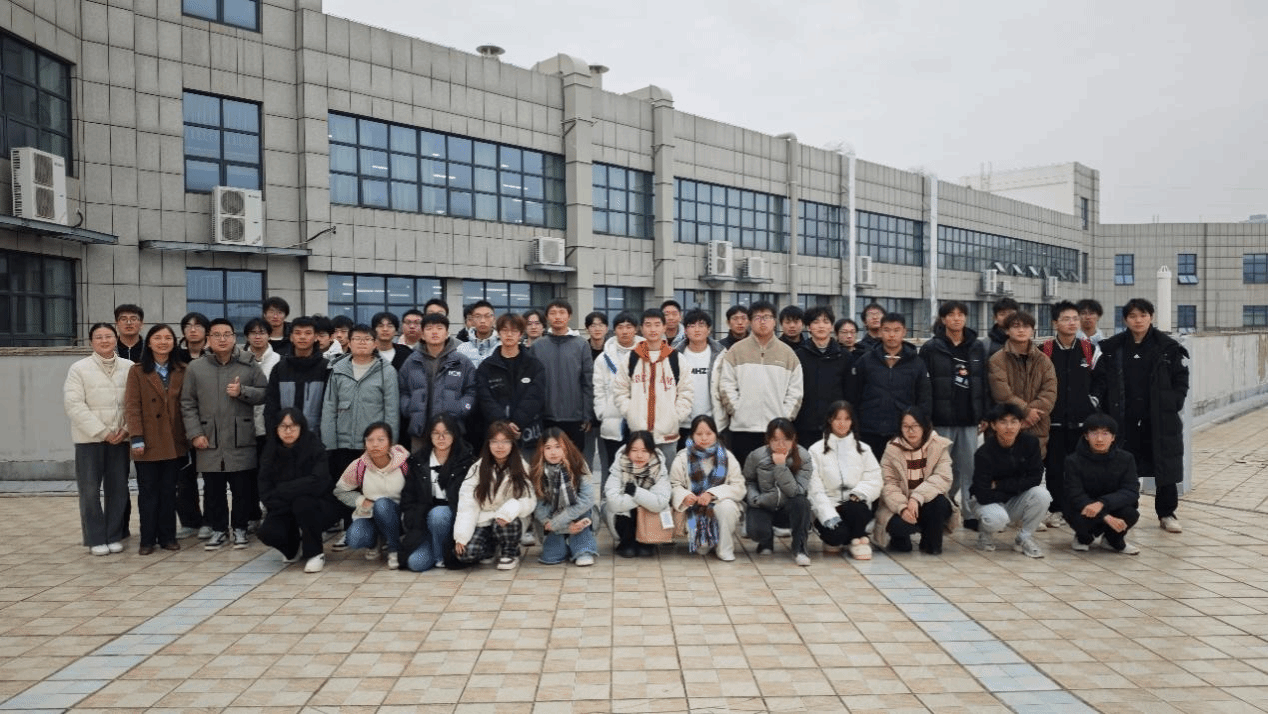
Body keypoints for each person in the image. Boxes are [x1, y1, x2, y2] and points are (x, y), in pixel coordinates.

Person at [1093, 297, 1189, 534]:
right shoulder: (1112, 348)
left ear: (1151, 317)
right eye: (1133, 316)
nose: (1138, 320)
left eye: (1143, 315)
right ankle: (1127, 510)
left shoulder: (1167, 347)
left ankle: (1166, 513)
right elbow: (1100, 382)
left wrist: (1172, 403)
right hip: (1122, 419)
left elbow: (1180, 380)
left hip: (1158, 419)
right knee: (1124, 468)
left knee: (1164, 467)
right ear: (1125, 319)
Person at [180, 318, 268, 551]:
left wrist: (243, 391)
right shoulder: (196, 368)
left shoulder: (249, 363)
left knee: (242, 489)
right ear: (208, 339)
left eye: (227, 334)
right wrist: (195, 433)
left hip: (241, 437)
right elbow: (187, 403)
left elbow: (265, 393)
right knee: (213, 490)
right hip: (209, 437)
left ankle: (240, 529)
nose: (222, 339)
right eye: (216, 335)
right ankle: (218, 530)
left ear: (234, 338)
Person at [64, 323, 133, 556]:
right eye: (99, 337)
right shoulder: (79, 368)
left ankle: (113, 535)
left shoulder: (129, 367)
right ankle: (95, 538)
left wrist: (125, 430)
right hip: (89, 440)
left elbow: (135, 404)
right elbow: (74, 405)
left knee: (118, 489)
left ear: (116, 339)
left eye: (108, 336)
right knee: (90, 491)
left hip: (120, 439)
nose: (104, 340)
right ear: (91, 341)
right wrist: (103, 432)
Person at [919, 300, 990, 526]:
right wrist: (926, 418)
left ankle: (969, 514)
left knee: (968, 469)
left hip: (969, 419)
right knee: (940, 468)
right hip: (941, 419)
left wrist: (984, 414)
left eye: (961, 314)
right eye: (951, 314)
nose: (956, 318)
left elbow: (984, 383)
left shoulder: (977, 347)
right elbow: (923, 385)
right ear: (943, 319)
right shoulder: (931, 348)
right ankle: (940, 511)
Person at [323, 323, 400, 517]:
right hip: (343, 442)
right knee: (346, 489)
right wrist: (329, 443)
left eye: (367, 339)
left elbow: (392, 410)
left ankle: (373, 527)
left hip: (374, 445)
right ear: (349, 343)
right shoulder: (338, 370)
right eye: (357, 339)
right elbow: (329, 407)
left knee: (373, 490)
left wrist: (390, 444)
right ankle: (348, 528)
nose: (362, 343)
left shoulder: (386, 371)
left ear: (375, 344)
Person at [125, 324, 188, 554]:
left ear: (174, 342)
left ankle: (168, 537)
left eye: (168, 338)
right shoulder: (137, 371)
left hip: (174, 440)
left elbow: (188, 404)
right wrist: (136, 437)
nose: (163, 342)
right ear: (149, 343)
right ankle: (147, 540)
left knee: (169, 492)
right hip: (147, 441)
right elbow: (132, 406)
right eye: (157, 338)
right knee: (148, 492)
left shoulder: (182, 370)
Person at [716, 300, 804, 465]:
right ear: (750, 321)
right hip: (743, 428)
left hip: (776, 431)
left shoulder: (787, 353)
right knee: (744, 474)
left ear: (774, 321)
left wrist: (783, 417)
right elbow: (726, 385)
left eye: (767, 317)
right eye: (757, 317)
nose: (762, 322)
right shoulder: (736, 351)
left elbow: (796, 391)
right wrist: (737, 410)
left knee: (774, 473)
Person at [256, 409, 343, 573]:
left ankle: (315, 554)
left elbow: (319, 482)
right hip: (285, 507)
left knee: (303, 504)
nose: (288, 431)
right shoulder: (270, 450)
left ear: (301, 427)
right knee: (267, 532)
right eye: (283, 426)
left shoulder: (314, 446)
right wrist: (292, 494)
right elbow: (265, 490)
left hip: (319, 505)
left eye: (293, 426)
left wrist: (284, 489)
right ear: (276, 428)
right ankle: (293, 548)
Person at [1039, 300, 1101, 530]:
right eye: (1066, 319)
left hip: (1082, 423)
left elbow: (1101, 381)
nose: (1072, 323)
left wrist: (1093, 401)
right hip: (1052, 422)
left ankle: (1077, 508)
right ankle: (1056, 509)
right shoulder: (1044, 351)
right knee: (1054, 468)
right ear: (1055, 323)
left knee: (1080, 468)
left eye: (1075, 318)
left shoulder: (1089, 350)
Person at [613, 308, 694, 466]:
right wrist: (631, 413)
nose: (653, 329)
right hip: (638, 434)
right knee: (640, 475)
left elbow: (686, 392)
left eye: (657, 324)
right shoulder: (631, 358)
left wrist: (675, 417)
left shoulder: (676, 359)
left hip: (668, 435)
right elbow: (620, 390)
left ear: (664, 327)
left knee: (667, 475)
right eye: (648, 325)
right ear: (641, 329)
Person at [454, 421, 537, 570]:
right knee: (466, 554)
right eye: (495, 442)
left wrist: (509, 510)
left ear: (512, 444)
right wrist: (461, 536)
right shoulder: (477, 468)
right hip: (485, 519)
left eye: (505, 442)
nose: (500, 446)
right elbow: (467, 503)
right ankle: (490, 548)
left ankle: (510, 552)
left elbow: (529, 500)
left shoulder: (521, 466)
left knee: (506, 522)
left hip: (510, 521)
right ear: (488, 444)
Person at [971, 403, 1051, 558]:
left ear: (1021, 424)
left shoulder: (1030, 444)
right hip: (987, 501)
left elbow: (1035, 478)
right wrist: (1017, 486)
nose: (1009, 427)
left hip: (1011, 497)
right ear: (993, 425)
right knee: (997, 519)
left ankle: (1024, 538)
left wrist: (1000, 485)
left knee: (1042, 495)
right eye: (1003, 422)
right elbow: (982, 493)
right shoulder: (984, 453)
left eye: (1014, 422)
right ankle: (985, 533)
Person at [807, 401, 882, 561]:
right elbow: (814, 488)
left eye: (847, 419)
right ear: (830, 420)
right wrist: (828, 515)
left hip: (854, 505)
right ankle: (846, 536)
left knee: (856, 509)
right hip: (830, 507)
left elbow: (874, 478)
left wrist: (859, 494)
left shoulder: (864, 449)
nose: (842, 423)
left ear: (852, 421)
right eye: (838, 419)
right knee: (836, 536)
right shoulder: (815, 450)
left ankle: (857, 540)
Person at [852, 312, 932, 460]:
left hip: (903, 431)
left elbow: (924, 399)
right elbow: (854, 395)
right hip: (869, 431)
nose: (892, 335)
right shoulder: (866, 360)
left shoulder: (916, 363)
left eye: (896, 330)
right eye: (887, 330)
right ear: (880, 331)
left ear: (904, 332)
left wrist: (920, 427)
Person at [875, 408, 956, 554]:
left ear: (924, 426)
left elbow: (943, 477)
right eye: (905, 426)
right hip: (899, 505)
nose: (910, 431)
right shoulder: (892, 449)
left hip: (926, 501)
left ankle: (930, 540)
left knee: (940, 503)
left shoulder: (938, 445)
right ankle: (899, 539)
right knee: (901, 535)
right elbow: (889, 484)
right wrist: (903, 508)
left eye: (915, 426)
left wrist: (917, 497)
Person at [400, 414, 475, 571]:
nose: (441, 438)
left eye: (446, 432)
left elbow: (471, 500)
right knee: (415, 563)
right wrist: (413, 521)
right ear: (429, 435)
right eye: (436, 433)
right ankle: (436, 552)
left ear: (454, 434)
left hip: (455, 523)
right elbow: (408, 497)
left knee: (439, 514)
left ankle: (441, 557)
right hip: (425, 524)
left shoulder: (467, 461)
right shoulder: (418, 460)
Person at [334, 422, 411, 570]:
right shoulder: (359, 465)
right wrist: (361, 500)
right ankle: (376, 542)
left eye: (381, 440)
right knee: (354, 538)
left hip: (399, 516)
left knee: (382, 504)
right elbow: (340, 491)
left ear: (390, 443)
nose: (375, 444)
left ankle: (394, 549)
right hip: (370, 516)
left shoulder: (405, 464)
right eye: (370, 440)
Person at [1063, 413, 1142, 554]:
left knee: (1130, 513)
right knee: (1074, 512)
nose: (1099, 439)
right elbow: (1075, 494)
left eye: (1105, 434)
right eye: (1094, 433)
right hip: (1086, 509)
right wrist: (1105, 517)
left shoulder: (1126, 459)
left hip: (1111, 506)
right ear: (1086, 436)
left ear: (1113, 437)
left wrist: (1102, 504)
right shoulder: (1073, 461)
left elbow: (1131, 491)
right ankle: (1083, 538)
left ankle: (1112, 540)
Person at [399, 312, 478, 450]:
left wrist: (462, 408)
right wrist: (409, 408)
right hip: (420, 430)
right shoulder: (411, 361)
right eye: (429, 328)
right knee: (420, 463)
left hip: (451, 429)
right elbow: (402, 390)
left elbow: (472, 390)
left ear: (447, 333)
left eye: (439, 328)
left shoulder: (461, 362)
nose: (434, 332)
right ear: (422, 335)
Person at [670, 415, 744, 561]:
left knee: (726, 507)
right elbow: (674, 484)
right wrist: (685, 495)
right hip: (694, 507)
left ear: (716, 434)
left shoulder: (727, 456)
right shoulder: (683, 457)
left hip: (720, 502)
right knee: (702, 549)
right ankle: (705, 539)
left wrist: (712, 494)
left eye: (709, 433)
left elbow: (739, 486)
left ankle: (724, 548)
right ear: (692, 435)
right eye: (699, 434)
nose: (704, 438)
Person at [743, 418, 814, 565]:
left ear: (793, 439)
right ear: (768, 440)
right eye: (775, 440)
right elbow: (749, 481)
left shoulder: (803, 456)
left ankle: (800, 548)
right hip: (764, 504)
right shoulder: (756, 455)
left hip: (788, 507)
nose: (781, 445)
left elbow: (797, 491)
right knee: (757, 531)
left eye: (786, 439)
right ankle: (765, 541)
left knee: (802, 502)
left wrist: (781, 466)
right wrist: (755, 499)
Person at [988, 311, 1057, 457]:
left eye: (1026, 326)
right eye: (1016, 326)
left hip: (1037, 426)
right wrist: (1025, 412)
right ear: (1007, 330)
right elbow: (1002, 394)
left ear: (1032, 330)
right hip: (1007, 425)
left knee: (1033, 467)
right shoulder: (997, 360)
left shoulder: (1044, 360)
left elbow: (1049, 392)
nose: (1021, 330)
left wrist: (1032, 415)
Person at [476, 313, 547, 454]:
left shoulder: (534, 365)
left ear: (521, 334)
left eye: (514, 331)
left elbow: (535, 397)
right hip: (496, 434)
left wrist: (517, 422)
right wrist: (504, 424)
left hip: (528, 435)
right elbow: (485, 398)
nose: (509, 335)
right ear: (498, 333)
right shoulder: (486, 366)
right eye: (505, 330)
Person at [531, 299, 594, 450]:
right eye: (553, 313)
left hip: (575, 417)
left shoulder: (581, 344)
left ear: (569, 316)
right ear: (547, 317)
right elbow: (532, 384)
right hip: (545, 417)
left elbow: (588, 382)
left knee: (573, 459)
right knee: (547, 458)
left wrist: (587, 414)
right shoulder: (538, 346)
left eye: (562, 312)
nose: (557, 317)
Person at [531, 428, 599, 567]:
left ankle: (582, 549)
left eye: (558, 447)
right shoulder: (537, 470)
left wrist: (561, 521)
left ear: (566, 447)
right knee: (551, 558)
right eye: (548, 448)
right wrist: (561, 526)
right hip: (551, 520)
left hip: (578, 515)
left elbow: (587, 499)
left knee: (582, 510)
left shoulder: (579, 464)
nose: (553, 452)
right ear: (542, 450)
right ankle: (561, 545)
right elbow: (538, 505)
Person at [593, 311, 643, 487]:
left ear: (636, 329)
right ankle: (614, 503)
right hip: (614, 420)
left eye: (629, 327)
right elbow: (598, 389)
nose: (625, 331)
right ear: (614, 330)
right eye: (620, 327)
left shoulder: (646, 354)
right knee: (614, 468)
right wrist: (602, 412)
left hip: (640, 419)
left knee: (639, 468)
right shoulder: (603, 358)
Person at [604, 430, 672, 558]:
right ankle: (626, 542)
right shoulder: (619, 466)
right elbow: (613, 501)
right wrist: (646, 498)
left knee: (650, 507)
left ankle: (646, 542)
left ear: (651, 452)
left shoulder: (658, 469)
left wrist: (635, 492)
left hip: (649, 523)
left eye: (645, 451)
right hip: (624, 521)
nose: (639, 455)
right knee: (618, 509)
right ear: (627, 451)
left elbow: (660, 502)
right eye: (634, 450)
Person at [793, 306, 853, 449]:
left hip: (835, 424)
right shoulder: (798, 355)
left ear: (831, 326)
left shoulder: (844, 356)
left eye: (826, 322)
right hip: (805, 425)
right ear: (808, 327)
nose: (821, 326)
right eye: (816, 322)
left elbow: (850, 393)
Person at [263, 316, 329, 438]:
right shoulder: (279, 368)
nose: (302, 337)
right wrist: (273, 438)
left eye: (308, 333)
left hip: (317, 438)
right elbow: (271, 409)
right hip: (285, 437)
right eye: (298, 333)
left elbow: (330, 409)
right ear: (291, 337)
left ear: (316, 337)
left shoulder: (326, 368)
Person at [675, 309, 726, 447]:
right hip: (683, 423)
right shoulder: (675, 355)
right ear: (685, 330)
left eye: (701, 325)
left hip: (712, 423)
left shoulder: (721, 355)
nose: (696, 329)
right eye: (691, 326)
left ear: (709, 330)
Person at [456, 300, 498, 368]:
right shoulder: (462, 349)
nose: (482, 321)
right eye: (478, 316)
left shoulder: (503, 347)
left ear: (494, 319)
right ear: (472, 320)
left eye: (487, 316)